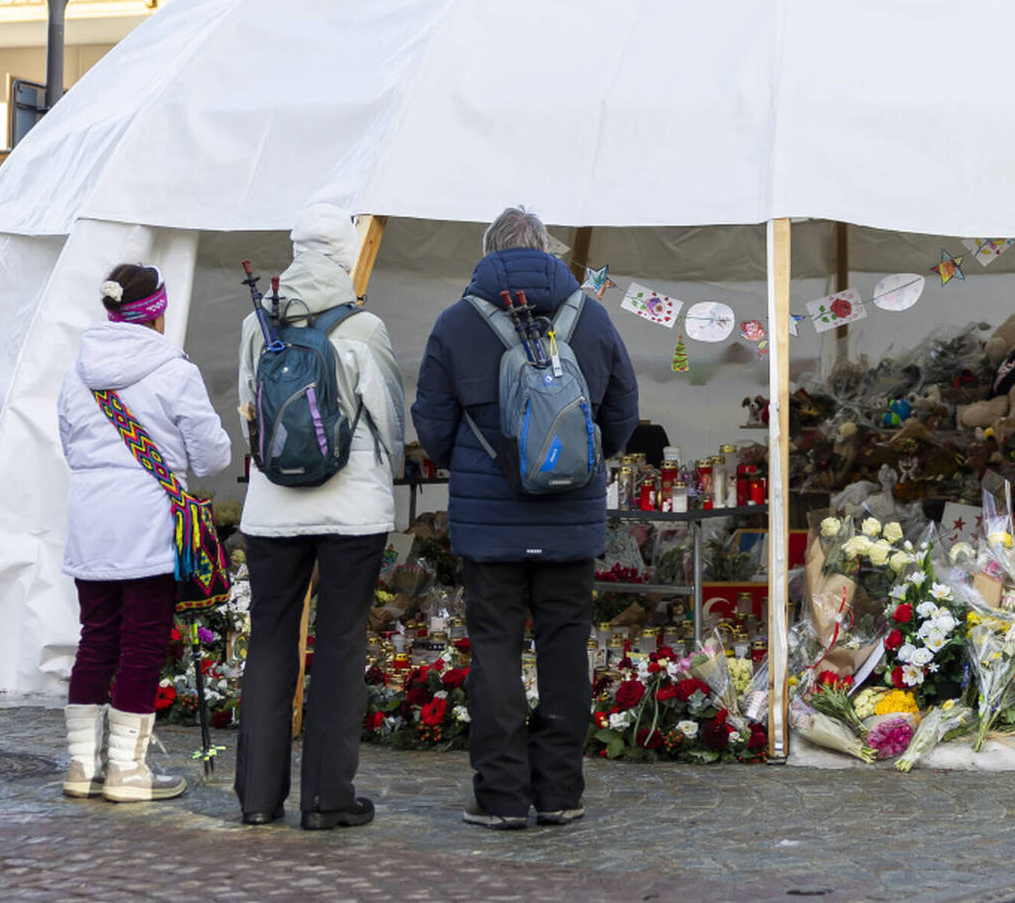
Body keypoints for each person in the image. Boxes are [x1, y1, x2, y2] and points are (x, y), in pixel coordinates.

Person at [413, 207, 638, 831]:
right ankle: (561, 792)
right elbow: (621, 412)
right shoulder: (590, 315)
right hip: (571, 517)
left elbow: (431, 425)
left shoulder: (458, 322)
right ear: (550, 250)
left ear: (487, 251)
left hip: (490, 524)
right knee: (566, 650)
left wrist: (476, 460)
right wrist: (583, 462)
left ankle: (502, 796)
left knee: (494, 654)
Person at [233, 204, 405, 831]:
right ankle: (328, 800)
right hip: (353, 509)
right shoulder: (364, 326)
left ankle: (256, 797)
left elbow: (249, 409)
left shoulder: (259, 322)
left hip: (272, 508)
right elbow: (388, 418)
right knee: (338, 645)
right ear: (344, 254)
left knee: (271, 643)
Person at [58, 262, 231, 803]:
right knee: (141, 647)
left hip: (90, 521)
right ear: (157, 311)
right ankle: (127, 772)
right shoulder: (175, 371)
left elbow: (70, 447)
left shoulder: (76, 371)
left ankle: (81, 766)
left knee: (96, 641)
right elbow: (210, 457)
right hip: (150, 523)